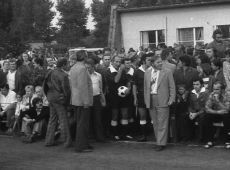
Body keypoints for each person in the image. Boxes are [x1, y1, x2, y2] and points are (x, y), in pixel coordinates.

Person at [144, 55, 176, 151]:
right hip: (151, 99)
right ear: (153, 63)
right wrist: (146, 100)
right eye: (158, 62)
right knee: (155, 122)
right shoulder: (147, 72)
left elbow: (172, 87)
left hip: (163, 99)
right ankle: (159, 141)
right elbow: (146, 88)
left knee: (162, 122)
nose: (160, 63)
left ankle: (161, 143)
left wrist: (171, 99)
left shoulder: (167, 72)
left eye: (161, 61)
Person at [43, 57, 72, 147]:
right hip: (59, 99)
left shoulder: (50, 72)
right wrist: (67, 102)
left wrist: (47, 95)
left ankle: (49, 141)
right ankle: (67, 141)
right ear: (63, 65)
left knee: (52, 119)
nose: (68, 65)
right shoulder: (63, 75)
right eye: (67, 63)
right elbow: (66, 91)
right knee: (63, 120)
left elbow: (44, 86)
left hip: (51, 97)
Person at [69, 50, 94, 153]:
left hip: (76, 99)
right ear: (84, 57)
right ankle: (81, 146)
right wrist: (86, 102)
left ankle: (84, 144)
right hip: (82, 101)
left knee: (81, 123)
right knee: (82, 124)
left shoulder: (73, 67)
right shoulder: (82, 68)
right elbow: (83, 86)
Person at [203, 82, 230, 149]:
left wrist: (218, 101)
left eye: (217, 89)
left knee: (226, 116)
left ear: (222, 89)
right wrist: (217, 112)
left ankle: (228, 141)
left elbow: (227, 109)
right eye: (214, 89)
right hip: (217, 113)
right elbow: (207, 108)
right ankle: (210, 141)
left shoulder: (227, 95)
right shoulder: (212, 95)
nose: (215, 91)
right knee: (207, 116)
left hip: (225, 114)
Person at [85, 58, 106, 142]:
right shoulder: (83, 76)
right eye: (86, 67)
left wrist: (103, 100)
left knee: (98, 119)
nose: (87, 69)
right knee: (88, 119)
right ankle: (89, 137)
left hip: (96, 98)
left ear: (93, 67)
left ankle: (99, 137)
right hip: (87, 99)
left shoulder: (98, 75)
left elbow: (101, 89)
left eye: (89, 67)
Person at [133, 53, 152, 142]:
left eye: (151, 60)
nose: (150, 62)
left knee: (152, 115)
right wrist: (135, 97)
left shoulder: (153, 70)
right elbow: (134, 85)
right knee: (142, 115)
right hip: (141, 96)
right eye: (149, 60)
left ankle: (154, 135)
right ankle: (143, 135)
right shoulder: (137, 71)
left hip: (151, 95)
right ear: (144, 61)